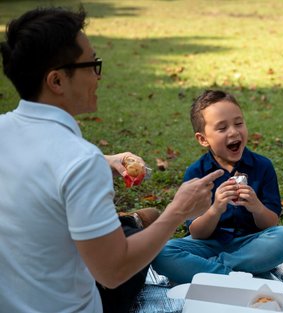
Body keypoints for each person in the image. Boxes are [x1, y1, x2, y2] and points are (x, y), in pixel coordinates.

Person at [0, 7, 223, 312]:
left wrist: (107, 159)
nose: (98, 74)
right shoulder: (80, 161)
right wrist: (178, 210)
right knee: (132, 246)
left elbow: (41, 159)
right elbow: (113, 271)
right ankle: (135, 223)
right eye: (92, 64)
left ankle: (131, 223)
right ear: (57, 81)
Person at [151, 90, 283, 284]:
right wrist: (216, 209)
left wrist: (256, 207)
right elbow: (197, 233)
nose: (234, 132)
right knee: (160, 252)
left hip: (250, 244)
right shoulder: (197, 174)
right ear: (203, 139)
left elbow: (271, 224)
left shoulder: (262, 167)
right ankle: (236, 276)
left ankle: (212, 271)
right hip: (207, 245)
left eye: (239, 123)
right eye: (222, 128)